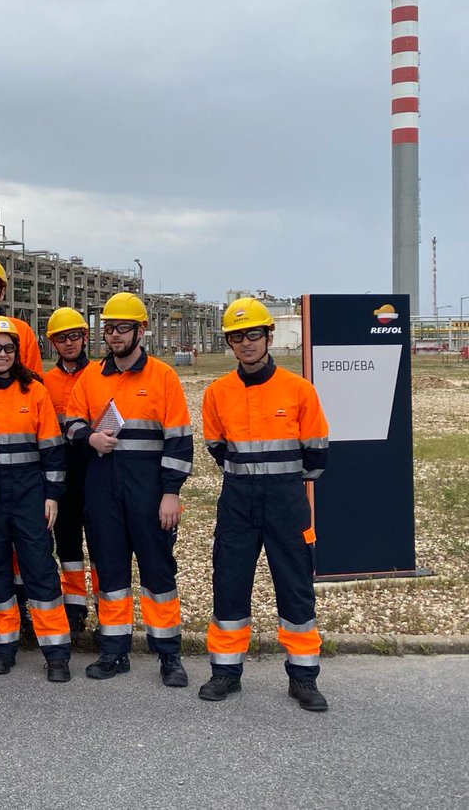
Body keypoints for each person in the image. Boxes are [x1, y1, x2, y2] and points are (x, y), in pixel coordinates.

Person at [199, 298, 330, 711]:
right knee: (229, 583)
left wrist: (281, 480)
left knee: (295, 586)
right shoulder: (218, 392)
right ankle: (225, 672)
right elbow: (216, 446)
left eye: (253, 334)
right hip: (237, 500)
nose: (246, 343)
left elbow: (317, 454)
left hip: (286, 501)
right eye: (237, 337)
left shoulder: (298, 390)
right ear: (230, 344)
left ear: (269, 336)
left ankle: (304, 678)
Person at [64, 292, 192, 687]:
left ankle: (169, 655)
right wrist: (89, 439)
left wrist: (171, 492)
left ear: (141, 330)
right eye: (108, 329)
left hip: (150, 491)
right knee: (112, 573)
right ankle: (114, 651)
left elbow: (180, 440)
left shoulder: (162, 376)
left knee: (158, 572)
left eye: (122, 328)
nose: (114, 335)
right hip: (103, 490)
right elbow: (69, 421)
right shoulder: (91, 377)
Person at [0, 317, 72, 682]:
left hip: (30, 494)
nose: (2, 354)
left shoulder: (35, 391)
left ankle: (57, 652)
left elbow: (52, 448)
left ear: (18, 353)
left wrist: (52, 495)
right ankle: (3, 646)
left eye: (8, 349)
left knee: (40, 570)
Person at [41, 307, 95, 634]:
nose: (69, 343)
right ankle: (74, 608)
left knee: (102, 543)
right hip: (62, 474)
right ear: (53, 344)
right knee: (68, 543)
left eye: (75, 336)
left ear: (85, 338)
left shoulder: (101, 374)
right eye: (62, 338)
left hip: (95, 471)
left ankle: (108, 608)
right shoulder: (47, 382)